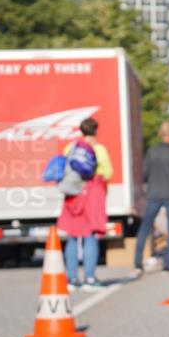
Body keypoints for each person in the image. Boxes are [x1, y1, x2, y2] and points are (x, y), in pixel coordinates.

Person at [57, 117, 112, 290]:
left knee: (72, 236)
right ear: (96, 130)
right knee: (90, 235)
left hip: (73, 194)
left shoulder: (70, 148)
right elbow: (108, 173)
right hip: (92, 193)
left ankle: (72, 279)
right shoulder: (99, 149)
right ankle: (89, 278)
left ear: (81, 130)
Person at [133, 121, 169, 277]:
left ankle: (137, 262)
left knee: (145, 228)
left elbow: (144, 173)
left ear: (160, 134)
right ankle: (167, 263)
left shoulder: (152, 151)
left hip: (154, 194)